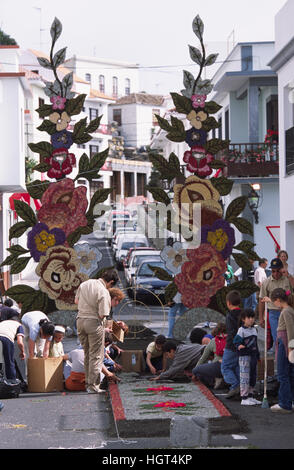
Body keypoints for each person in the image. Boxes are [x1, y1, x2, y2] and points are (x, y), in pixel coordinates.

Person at [75, 269, 119, 394]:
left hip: (80, 320)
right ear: (110, 282)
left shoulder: (85, 284)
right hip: (93, 323)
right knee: (96, 355)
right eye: (111, 285)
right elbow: (102, 314)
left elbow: (76, 301)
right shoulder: (103, 291)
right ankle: (93, 386)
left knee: (87, 353)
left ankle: (88, 383)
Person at [269, 288, 294, 413]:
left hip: (285, 344)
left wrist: (290, 348)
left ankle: (285, 403)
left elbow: (290, 330)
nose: (274, 305)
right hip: (286, 343)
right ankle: (290, 401)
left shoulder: (286, 312)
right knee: (289, 374)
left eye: (274, 302)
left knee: (283, 374)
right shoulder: (288, 310)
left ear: (278, 300)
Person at [259, 258, 293, 346]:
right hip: (273, 313)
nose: (275, 273)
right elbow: (261, 300)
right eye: (273, 271)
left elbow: (291, 295)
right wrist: (260, 317)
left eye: (278, 271)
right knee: (277, 337)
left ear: (281, 269)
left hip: (285, 312)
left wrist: (288, 275)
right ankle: (279, 358)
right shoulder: (266, 282)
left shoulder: (287, 280)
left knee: (288, 336)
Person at [233, 309, 261, 406]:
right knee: (245, 376)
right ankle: (244, 397)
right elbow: (236, 341)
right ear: (243, 319)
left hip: (253, 356)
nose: (251, 319)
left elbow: (255, 344)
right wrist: (238, 346)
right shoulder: (241, 330)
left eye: (253, 317)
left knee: (253, 376)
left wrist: (258, 355)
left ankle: (250, 395)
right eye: (249, 318)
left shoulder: (254, 330)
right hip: (244, 356)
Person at [192, 323, 227, 389]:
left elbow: (203, 358)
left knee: (197, 371)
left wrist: (195, 371)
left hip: (218, 366)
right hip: (232, 366)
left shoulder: (214, 341)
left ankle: (214, 381)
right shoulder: (232, 339)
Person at [221, 290, 242, 399]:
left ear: (228, 303)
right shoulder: (243, 314)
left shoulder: (230, 316)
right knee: (238, 367)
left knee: (225, 367)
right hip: (242, 345)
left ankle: (235, 385)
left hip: (232, 345)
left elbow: (232, 332)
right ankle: (241, 388)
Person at [0, 317, 25, 384]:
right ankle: (12, 381)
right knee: (9, 360)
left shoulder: (3, 322)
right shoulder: (19, 325)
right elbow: (20, 342)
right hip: (6, 338)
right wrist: (22, 352)